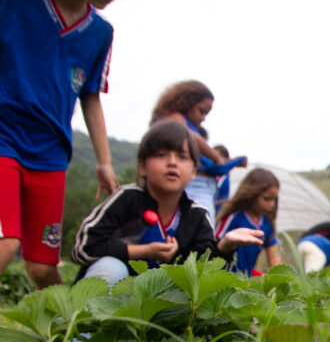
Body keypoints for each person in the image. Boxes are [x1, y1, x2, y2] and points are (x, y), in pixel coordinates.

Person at [0, 0, 126, 289]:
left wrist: (104, 161)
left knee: (43, 266)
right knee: (6, 242)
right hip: (4, 136)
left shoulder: (100, 34)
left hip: (51, 156)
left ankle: (69, 335)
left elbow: (91, 96)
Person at [72, 121, 263, 287]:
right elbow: (83, 248)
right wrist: (144, 251)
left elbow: (206, 271)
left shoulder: (196, 216)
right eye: (161, 154)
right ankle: (86, 327)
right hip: (114, 295)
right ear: (142, 166)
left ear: (193, 171)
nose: (172, 163)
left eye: (182, 157)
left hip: (160, 307)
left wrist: (225, 246)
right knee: (111, 269)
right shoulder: (127, 198)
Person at [150, 80, 247, 219]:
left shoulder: (180, 122)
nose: (203, 118)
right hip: (193, 186)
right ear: (186, 102)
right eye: (201, 111)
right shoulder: (174, 118)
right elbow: (190, 136)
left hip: (201, 186)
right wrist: (216, 158)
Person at [215, 167, 282, 277]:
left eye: (274, 199)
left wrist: (279, 280)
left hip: (246, 279)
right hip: (225, 278)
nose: (272, 204)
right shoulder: (233, 217)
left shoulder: (267, 223)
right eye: (266, 199)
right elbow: (215, 249)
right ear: (252, 195)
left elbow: (274, 257)